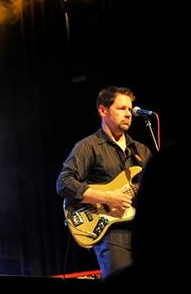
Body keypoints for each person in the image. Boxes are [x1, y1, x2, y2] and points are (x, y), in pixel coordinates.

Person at [56, 86, 152, 278]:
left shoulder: (141, 150)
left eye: (130, 109)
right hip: (113, 236)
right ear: (103, 111)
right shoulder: (88, 146)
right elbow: (64, 183)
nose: (128, 114)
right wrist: (108, 197)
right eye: (121, 108)